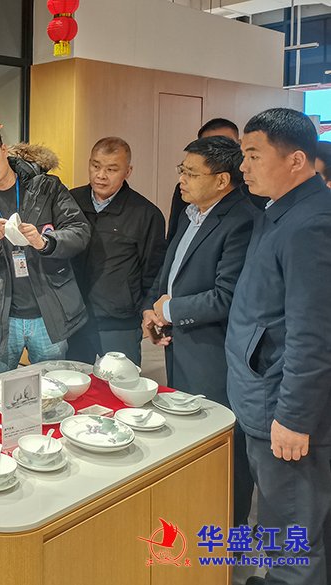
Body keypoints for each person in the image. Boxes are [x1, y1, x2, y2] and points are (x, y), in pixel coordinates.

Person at [226, 108, 331, 585]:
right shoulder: (280, 210)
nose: (243, 166)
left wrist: (294, 417)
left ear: (296, 160)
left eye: (253, 155)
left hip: (281, 409)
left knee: (294, 531)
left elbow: (314, 333)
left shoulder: (311, 224)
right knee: (280, 517)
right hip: (262, 395)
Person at [142, 135, 258, 528]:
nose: (182, 179)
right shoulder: (192, 212)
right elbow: (169, 272)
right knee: (191, 438)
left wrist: (170, 311)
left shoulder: (241, 220)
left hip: (214, 354)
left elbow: (227, 296)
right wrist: (153, 311)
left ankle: (230, 536)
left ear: (222, 180)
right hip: (181, 345)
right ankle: (195, 520)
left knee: (224, 446)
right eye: (182, 170)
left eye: (191, 173)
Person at [0, 123, 90, 376]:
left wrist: (45, 242)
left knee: (52, 385)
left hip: (48, 312)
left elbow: (80, 231)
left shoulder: (46, 188)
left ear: (4, 150)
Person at [67, 137, 165, 365]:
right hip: (74, 318)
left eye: (111, 169)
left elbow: (153, 270)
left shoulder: (145, 214)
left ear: (128, 171)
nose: (101, 175)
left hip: (119, 322)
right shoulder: (70, 202)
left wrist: (146, 310)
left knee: (121, 381)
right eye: (95, 166)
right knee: (72, 379)